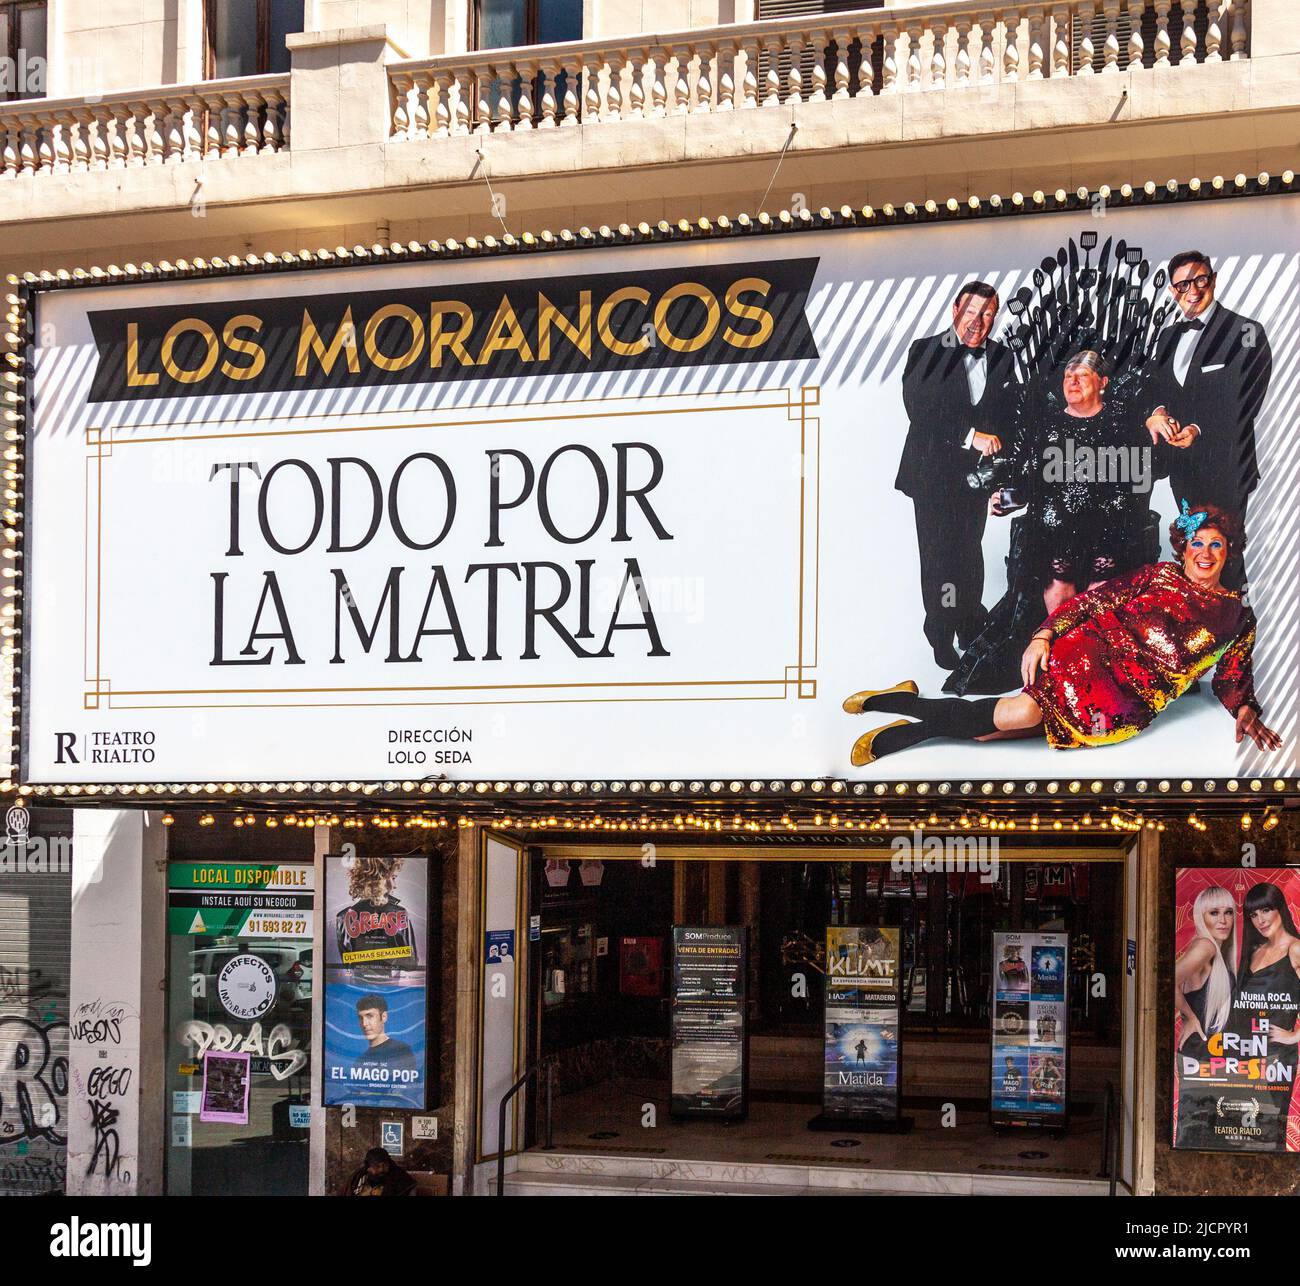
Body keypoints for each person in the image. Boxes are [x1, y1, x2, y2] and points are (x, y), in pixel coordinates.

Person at [841, 502, 1281, 764]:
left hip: (1123, 707)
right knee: (1018, 715)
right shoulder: (1158, 575)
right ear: (1182, 548)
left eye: (1216, 545)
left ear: (1229, 551)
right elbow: (1092, 601)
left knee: (986, 733)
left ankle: (912, 711)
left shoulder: (1237, 618)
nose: (1205, 554)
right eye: (1197, 543)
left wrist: (1244, 709)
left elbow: (1231, 678)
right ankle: (898, 710)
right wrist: (1043, 635)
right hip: (1086, 657)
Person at [946, 350, 1157, 694]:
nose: (1072, 381)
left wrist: (1106, 513)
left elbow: (1136, 486)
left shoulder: (1123, 425)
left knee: (1095, 599)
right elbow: (1031, 483)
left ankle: (1087, 673)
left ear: (1102, 383)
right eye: (1067, 376)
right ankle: (1059, 673)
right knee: (1060, 583)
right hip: (1056, 530)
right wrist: (1007, 501)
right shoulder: (1047, 426)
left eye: (1082, 375)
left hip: (1110, 529)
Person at [895, 281, 1020, 670]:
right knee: (939, 558)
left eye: (986, 315)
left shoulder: (1001, 355)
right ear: (955, 311)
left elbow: (1005, 416)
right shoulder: (925, 350)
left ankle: (968, 622)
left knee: (969, 551)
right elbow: (920, 409)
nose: (977, 322)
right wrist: (971, 436)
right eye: (971, 312)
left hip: (977, 478)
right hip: (932, 473)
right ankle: (941, 633)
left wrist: (1004, 479)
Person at [1142, 251, 1273, 557]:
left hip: (1226, 466)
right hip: (1181, 468)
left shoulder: (1246, 333)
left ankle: (1235, 606)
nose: (1194, 290)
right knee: (1193, 553)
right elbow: (1153, 388)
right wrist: (1156, 414)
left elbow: (1245, 400)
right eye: (1184, 284)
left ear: (1213, 280)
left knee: (1223, 556)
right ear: (1173, 291)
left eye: (1201, 279)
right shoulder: (1167, 337)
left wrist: (1197, 429)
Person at [1226, 883, 1300, 1149]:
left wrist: (1294, 1037)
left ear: (1280, 908)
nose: (1260, 920)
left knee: (1268, 1133)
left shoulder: (1296, 949)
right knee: (1240, 1133)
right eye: (1253, 915)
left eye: (1265, 910)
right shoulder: (1255, 950)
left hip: (1276, 1058)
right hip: (1243, 1053)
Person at [1175, 886, 1237, 1061]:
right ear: (1201, 917)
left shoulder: (1214, 950)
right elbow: (1167, 981)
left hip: (1207, 1053)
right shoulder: (1205, 946)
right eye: (1214, 913)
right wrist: (1191, 1017)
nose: (1223, 920)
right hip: (1200, 1053)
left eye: (1228, 912)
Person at [336, 854, 418, 983]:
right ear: (378, 879)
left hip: (358, 989)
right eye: (393, 878)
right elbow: (411, 963)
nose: (395, 885)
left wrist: (372, 953)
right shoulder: (399, 913)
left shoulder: (343, 916)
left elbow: (348, 964)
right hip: (389, 990)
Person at [353, 993, 417, 1075]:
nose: (364, 1024)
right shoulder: (360, 1061)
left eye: (369, 1016)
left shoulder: (401, 1050)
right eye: (361, 1018)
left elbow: (409, 1086)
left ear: (384, 1017)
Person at [341, 1147, 417, 1197]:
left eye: (385, 1165)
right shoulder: (357, 1178)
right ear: (368, 1167)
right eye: (377, 1166)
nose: (381, 1169)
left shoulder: (402, 1180)